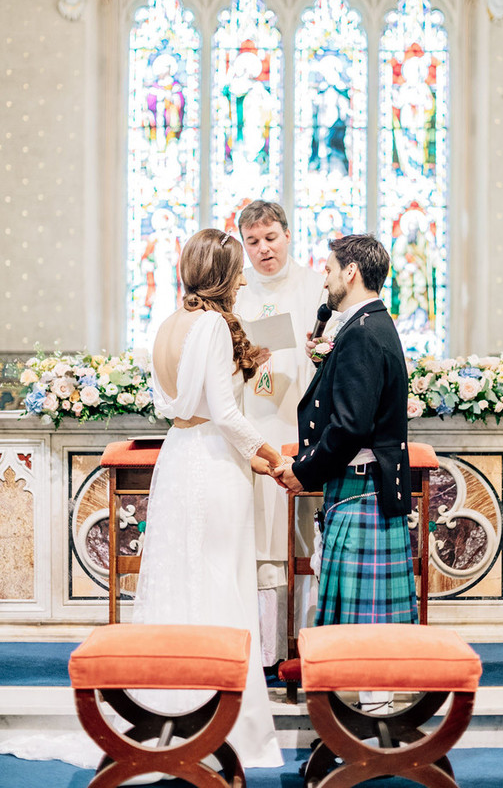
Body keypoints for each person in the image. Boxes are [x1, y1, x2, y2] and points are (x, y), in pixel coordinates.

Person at [131, 227, 284, 769]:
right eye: (238, 271)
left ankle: (172, 712)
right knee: (223, 581)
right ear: (222, 275)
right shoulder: (215, 324)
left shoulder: (167, 325)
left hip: (179, 457)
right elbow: (225, 411)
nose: (243, 280)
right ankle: (229, 727)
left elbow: (174, 405)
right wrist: (268, 452)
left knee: (180, 579)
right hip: (215, 464)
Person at [275, 234, 417, 648]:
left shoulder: (362, 332)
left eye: (330, 269)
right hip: (365, 487)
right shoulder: (371, 323)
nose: (325, 280)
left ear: (350, 271)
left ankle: (367, 689)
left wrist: (304, 471)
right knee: (364, 622)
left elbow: (351, 426)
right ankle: (365, 686)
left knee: (362, 630)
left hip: (362, 488)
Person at [234, 200, 327, 668]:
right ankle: (263, 648)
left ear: (287, 235)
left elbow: (330, 349)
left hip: (298, 425)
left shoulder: (314, 285)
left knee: (299, 534)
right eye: (252, 242)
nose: (263, 249)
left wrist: (315, 351)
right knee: (256, 532)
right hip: (250, 427)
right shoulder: (235, 291)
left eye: (271, 238)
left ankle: (301, 641)